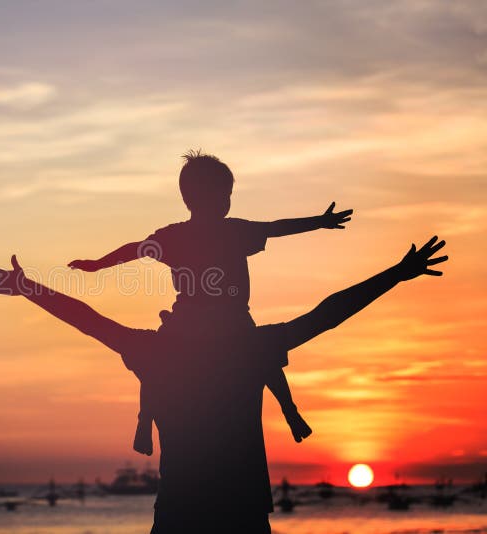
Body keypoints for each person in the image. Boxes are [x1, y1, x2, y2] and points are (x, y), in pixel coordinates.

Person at [0, 236, 447, 533]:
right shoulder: (250, 347)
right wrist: (397, 274)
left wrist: (27, 287)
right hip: (239, 513)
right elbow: (326, 314)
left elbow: (88, 320)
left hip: (181, 512)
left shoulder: (157, 350)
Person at [68, 150, 353, 453]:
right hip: (219, 319)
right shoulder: (228, 231)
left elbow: (134, 249)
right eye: (224, 195)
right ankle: (287, 411)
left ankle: (287, 410)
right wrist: (319, 222)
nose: (228, 201)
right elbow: (276, 227)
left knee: (157, 361)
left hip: (199, 320)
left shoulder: (186, 234)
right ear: (201, 197)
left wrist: (98, 264)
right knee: (261, 352)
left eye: (229, 195)